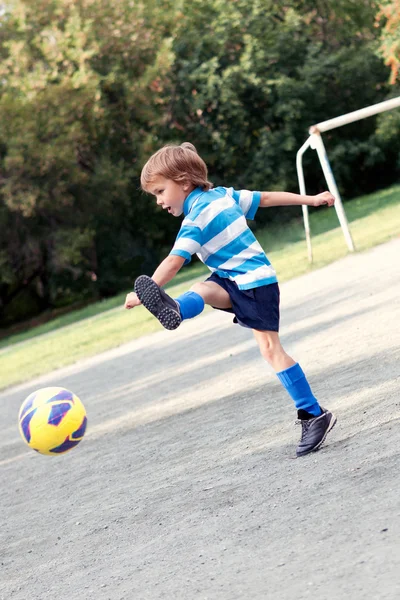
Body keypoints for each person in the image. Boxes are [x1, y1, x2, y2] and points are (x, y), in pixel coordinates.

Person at [125, 142, 337, 456]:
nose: (158, 201)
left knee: (270, 350)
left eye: (159, 191)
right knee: (204, 288)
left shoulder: (196, 220)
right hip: (235, 280)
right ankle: (176, 308)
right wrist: (312, 199)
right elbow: (265, 198)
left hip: (254, 284)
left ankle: (312, 413)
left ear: (184, 182)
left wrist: (146, 292)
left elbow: (174, 260)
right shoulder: (223, 195)